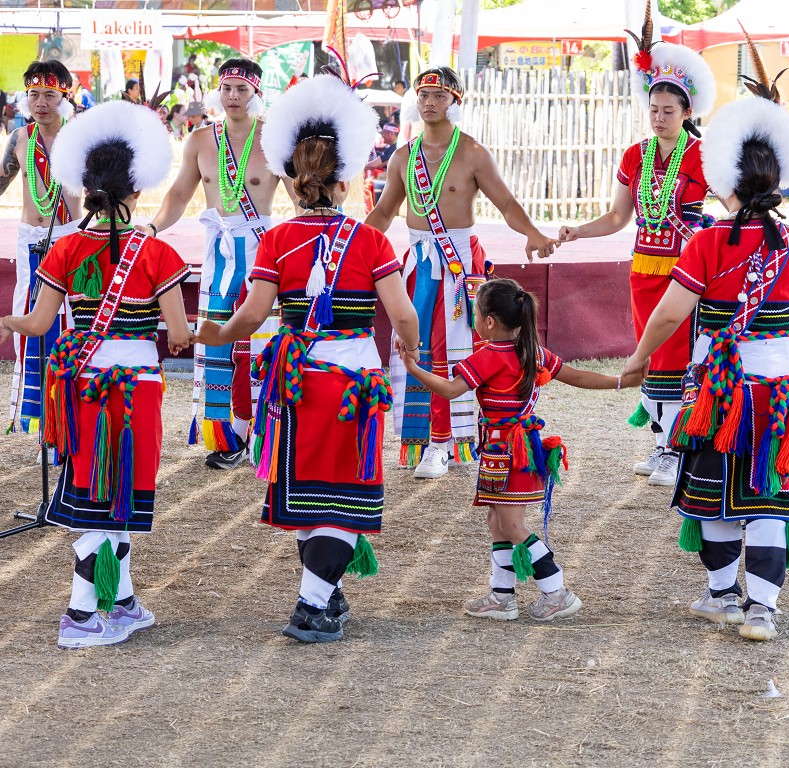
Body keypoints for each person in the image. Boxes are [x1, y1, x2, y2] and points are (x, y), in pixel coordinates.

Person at [621, 35, 789, 642]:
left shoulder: (708, 243)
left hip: (716, 383)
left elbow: (668, 315)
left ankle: (723, 594)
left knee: (713, 487)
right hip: (776, 383)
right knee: (769, 490)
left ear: (727, 178)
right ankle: (764, 609)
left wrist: (641, 359)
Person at [195, 72, 419, 643]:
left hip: (295, 380)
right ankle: (309, 605)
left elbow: (250, 318)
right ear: (345, 181)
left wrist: (208, 335)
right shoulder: (371, 241)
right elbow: (405, 316)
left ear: (293, 183)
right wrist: (413, 359)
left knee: (307, 493)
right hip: (354, 382)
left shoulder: (276, 240)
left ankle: (328, 594)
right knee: (345, 497)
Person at [0, 101, 190, 648]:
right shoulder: (157, 253)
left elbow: (37, 325)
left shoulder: (63, 248)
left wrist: (5, 318)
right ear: (134, 192)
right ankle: (82, 615)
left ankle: (123, 601)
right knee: (119, 492)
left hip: (81, 387)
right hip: (138, 390)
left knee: (92, 486)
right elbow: (177, 335)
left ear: (86, 187)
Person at [398, 277, 638, 621]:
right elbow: (578, 376)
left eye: (476, 315)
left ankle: (556, 592)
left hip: (505, 450)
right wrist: (619, 381)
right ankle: (502, 595)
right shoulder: (533, 352)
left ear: (490, 322)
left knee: (511, 526)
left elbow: (451, 390)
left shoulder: (488, 356)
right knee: (498, 521)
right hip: (522, 447)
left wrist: (413, 368)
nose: (475, 322)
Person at [365, 66, 559, 480]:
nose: (430, 102)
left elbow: (506, 203)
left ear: (455, 100)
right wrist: (348, 248)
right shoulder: (404, 156)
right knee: (416, 345)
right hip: (419, 262)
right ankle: (424, 439)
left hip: (459, 264)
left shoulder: (472, 152)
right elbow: (384, 212)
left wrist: (534, 233)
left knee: (455, 349)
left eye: (439, 95)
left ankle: (444, 441)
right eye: (424, 95)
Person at [558, 8, 716, 487]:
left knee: (676, 356)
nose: (660, 118)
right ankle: (661, 442)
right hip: (643, 270)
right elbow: (617, 217)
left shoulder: (702, 154)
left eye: (669, 111)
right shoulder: (635, 155)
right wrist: (576, 232)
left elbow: (728, 201)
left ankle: (675, 447)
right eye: (654, 110)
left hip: (684, 270)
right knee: (650, 357)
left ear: (688, 112)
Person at [145, 58, 296, 470]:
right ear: (217, 90)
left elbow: (301, 200)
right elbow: (178, 196)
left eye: (242, 89)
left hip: (264, 250)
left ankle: (261, 436)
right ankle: (226, 437)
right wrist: (152, 229)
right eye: (227, 88)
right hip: (219, 253)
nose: (233, 96)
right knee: (215, 341)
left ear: (256, 93)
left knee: (260, 344)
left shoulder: (275, 140)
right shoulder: (199, 140)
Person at [0, 60, 81, 436]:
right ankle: (36, 416)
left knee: (69, 321)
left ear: (66, 96)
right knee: (29, 319)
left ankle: (65, 416)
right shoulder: (19, 139)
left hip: (70, 237)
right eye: (34, 94)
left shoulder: (81, 137)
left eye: (50, 94)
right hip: (30, 239)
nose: (41, 102)